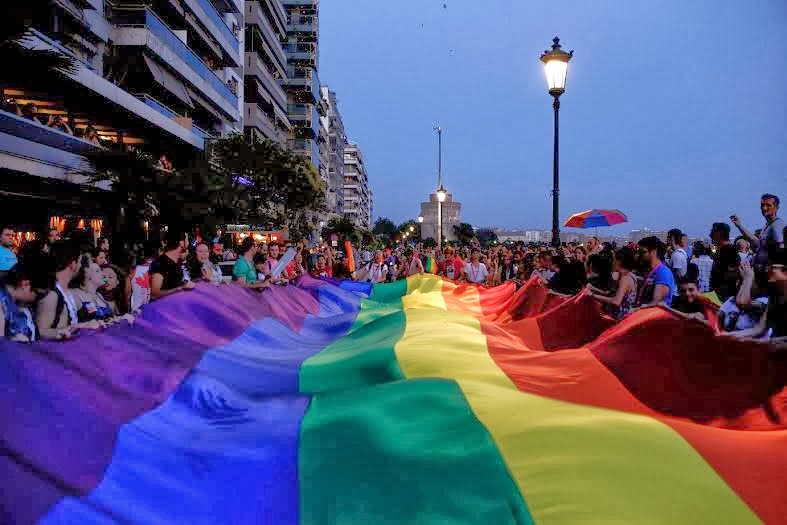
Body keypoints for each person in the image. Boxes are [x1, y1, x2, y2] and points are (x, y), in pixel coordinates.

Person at [36, 241, 101, 339]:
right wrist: (78, 327)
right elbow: (39, 332)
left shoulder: (68, 292)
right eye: (79, 262)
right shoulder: (51, 294)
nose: (80, 267)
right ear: (73, 264)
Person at [71, 254, 132, 324]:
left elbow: (109, 319)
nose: (103, 274)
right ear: (87, 275)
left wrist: (122, 318)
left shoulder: (99, 296)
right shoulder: (77, 295)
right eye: (98, 271)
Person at [732, 193, 784, 271]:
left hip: (770, 275)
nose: (764, 208)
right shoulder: (768, 225)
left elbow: (781, 250)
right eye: (762, 205)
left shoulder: (777, 224)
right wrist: (739, 226)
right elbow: (757, 243)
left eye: (768, 205)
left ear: (776, 207)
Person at [588, 247, 638, 319]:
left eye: (614, 260)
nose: (612, 262)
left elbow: (616, 301)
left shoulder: (625, 279)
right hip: (625, 316)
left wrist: (593, 295)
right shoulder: (631, 275)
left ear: (619, 261)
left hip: (619, 318)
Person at [149, 234, 195, 300]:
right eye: (187, 239)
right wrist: (180, 288)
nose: (188, 242)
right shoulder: (161, 263)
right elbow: (155, 294)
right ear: (181, 242)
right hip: (165, 307)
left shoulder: (178, 260)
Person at [0, 265, 38, 342]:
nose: (36, 296)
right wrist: (14, 339)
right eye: (35, 292)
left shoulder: (19, 306)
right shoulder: (2, 301)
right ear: (25, 284)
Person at [636, 236, 676, 307]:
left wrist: (634, 311)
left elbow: (656, 303)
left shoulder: (663, 272)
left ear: (653, 252)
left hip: (655, 317)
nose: (639, 254)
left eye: (642, 252)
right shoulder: (652, 271)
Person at [709, 222, 739, 301]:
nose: (710, 235)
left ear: (718, 234)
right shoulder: (722, 252)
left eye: (712, 233)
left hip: (724, 300)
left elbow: (731, 280)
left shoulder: (729, 252)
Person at [130, 241, 158, 312]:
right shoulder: (156, 271)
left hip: (135, 309)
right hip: (152, 310)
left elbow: (127, 291)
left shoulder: (133, 270)